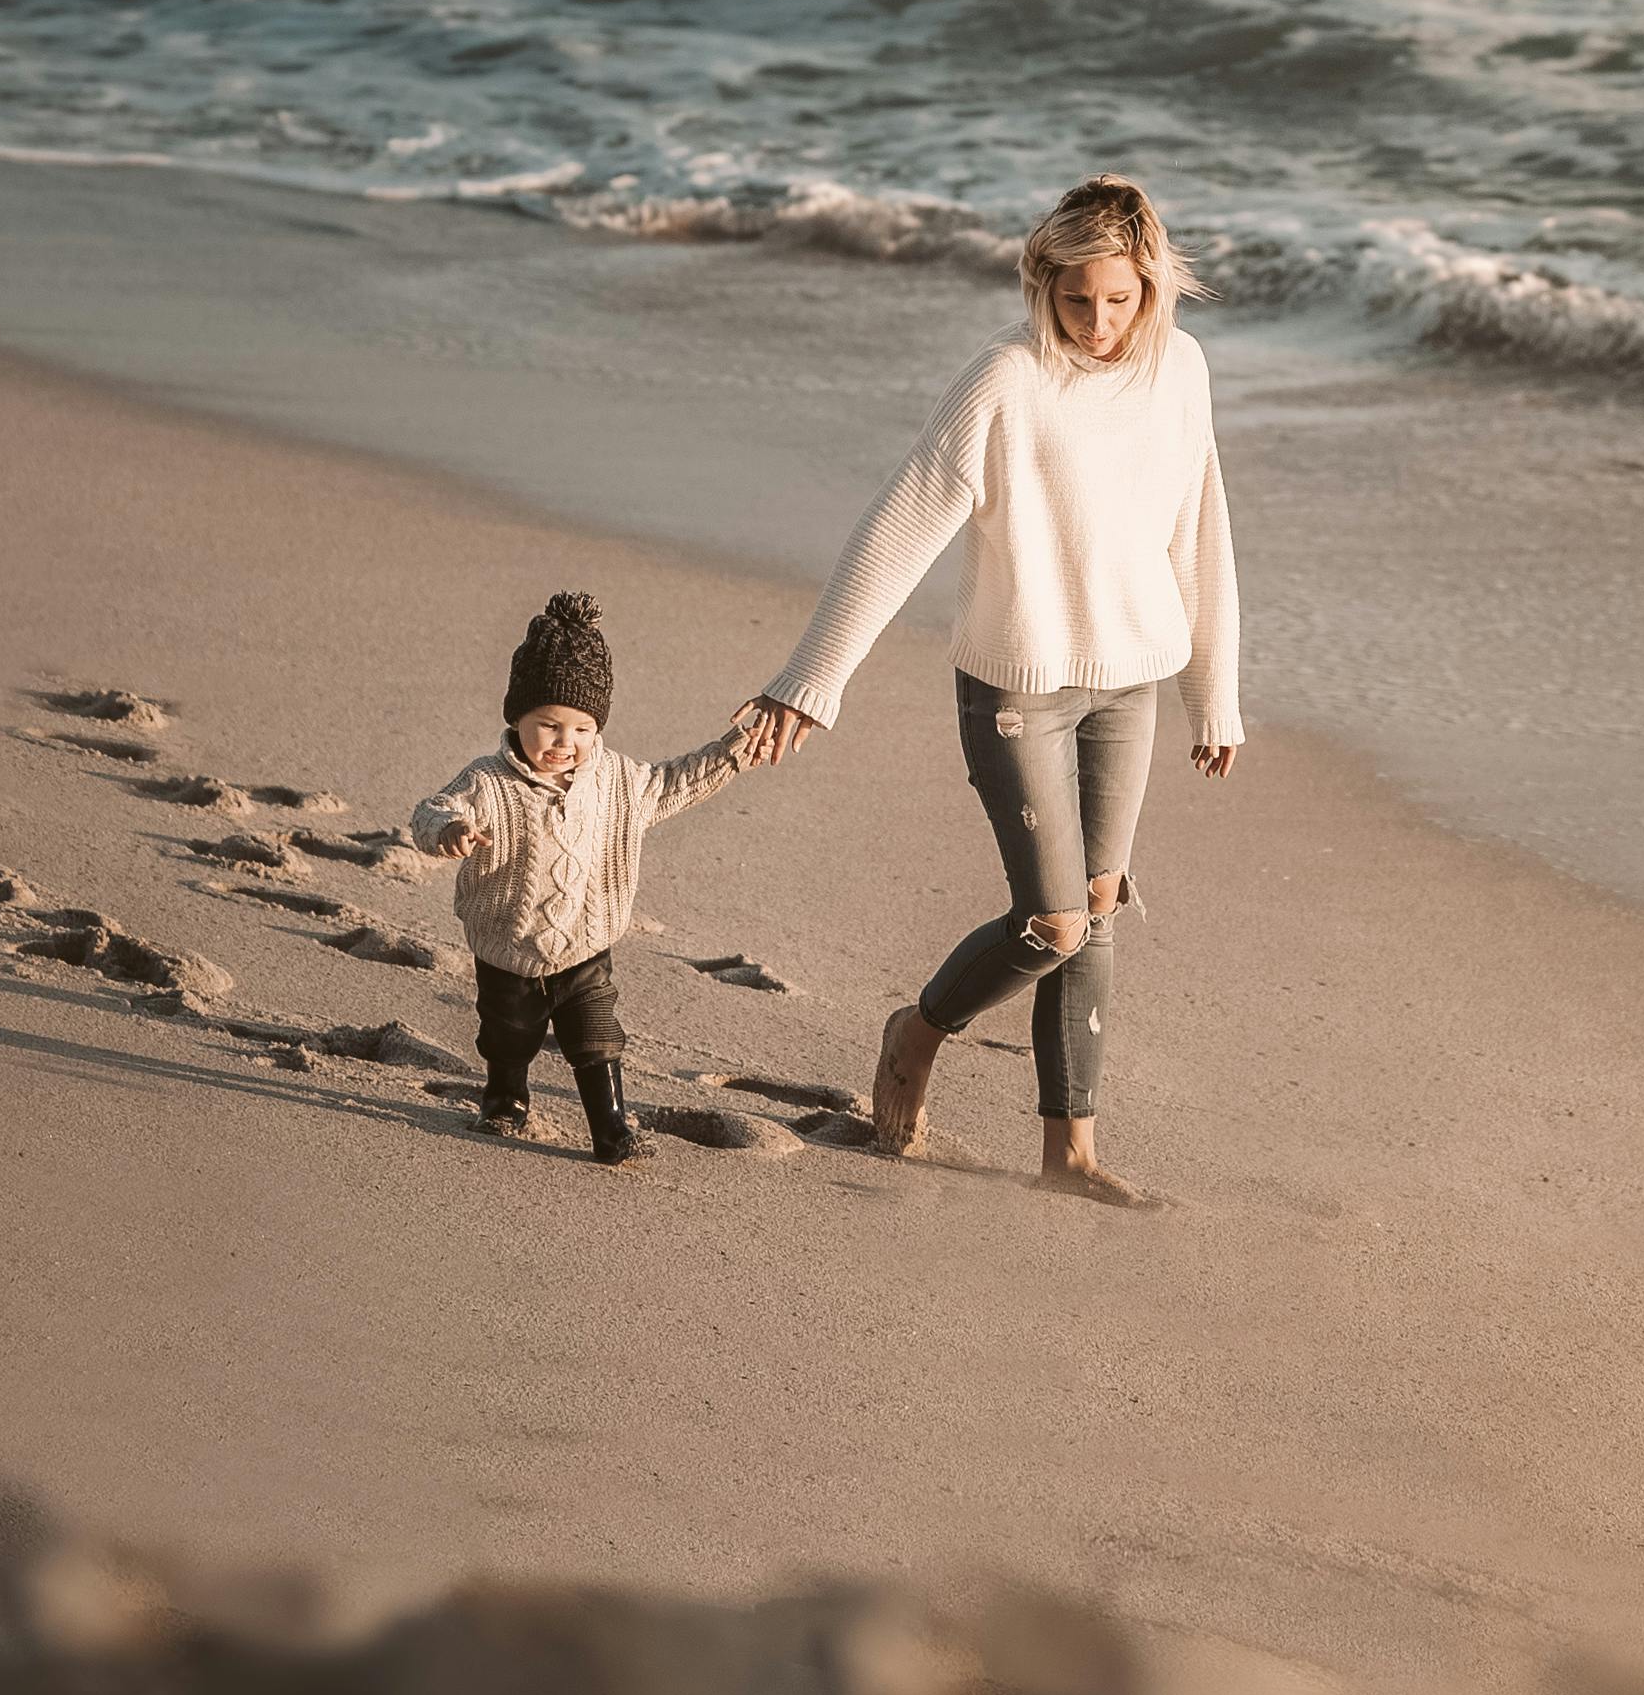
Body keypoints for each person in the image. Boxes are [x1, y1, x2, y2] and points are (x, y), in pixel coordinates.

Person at [735, 173, 1239, 1206]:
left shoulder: (1180, 371)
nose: (1097, 323)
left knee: (1097, 907)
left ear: (1151, 286)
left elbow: (1201, 533)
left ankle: (1071, 1152)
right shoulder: (1005, 382)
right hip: (1016, 686)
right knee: (1050, 922)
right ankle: (915, 1033)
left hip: (1128, 684)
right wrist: (810, 678)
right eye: (1074, 300)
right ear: (1039, 282)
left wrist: (1213, 693)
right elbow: (898, 527)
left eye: (1119, 300)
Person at [411, 588, 760, 1168]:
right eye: (548, 725)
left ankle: (613, 1128)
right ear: (517, 716)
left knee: (597, 1040)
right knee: (507, 1036)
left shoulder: (619, 780)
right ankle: (505, 1097)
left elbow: (679, 781)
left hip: (586, 944)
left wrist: (737, 750)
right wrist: (449, 830)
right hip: (506, 948)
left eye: (581, 729)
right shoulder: (488, 781)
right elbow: (431, 810)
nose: (563, 743)